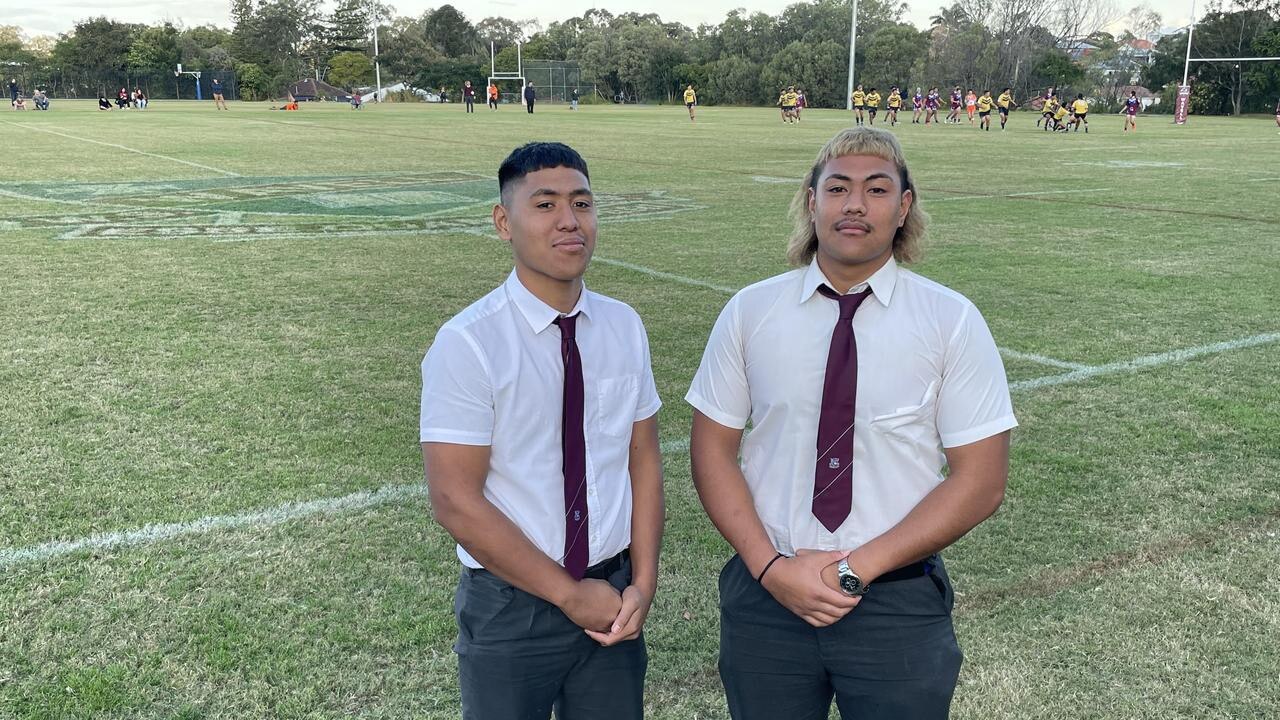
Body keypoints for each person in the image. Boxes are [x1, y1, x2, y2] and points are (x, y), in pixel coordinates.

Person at [686, 126, 1016, 720]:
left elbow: (981, 481)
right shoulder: (749, 312)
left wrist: (852, 570)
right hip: (767, 600)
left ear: (904, 206)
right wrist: (770, 568)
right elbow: (712, 452)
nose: (855, 205)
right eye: (837, 188)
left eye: (877, 189)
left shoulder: (951, 321)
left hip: (895, 604)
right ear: (811, 202)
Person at [420, 141, 664, 720]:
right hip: (513, 603)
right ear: (504, 222)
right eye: (546, 204)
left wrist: (644, 583)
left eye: (582, 203)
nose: (568, 221)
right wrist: (568, 594)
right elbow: (455, 499)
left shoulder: (623, 325)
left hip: (613, 593)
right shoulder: (469, 342)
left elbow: (643, 458)